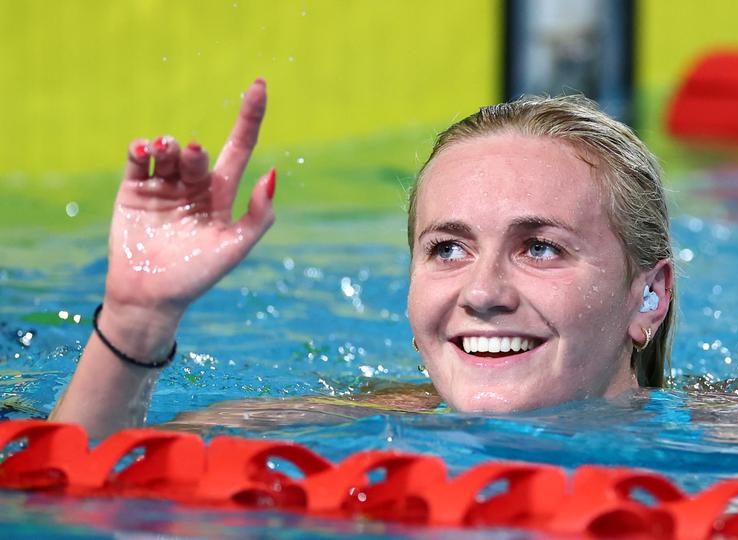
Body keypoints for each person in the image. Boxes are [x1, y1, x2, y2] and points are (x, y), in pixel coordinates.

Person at [50, 79, 675, 438]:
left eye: (539, 247)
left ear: (649, 295)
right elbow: (70, 492)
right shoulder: (330, 428)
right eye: (448, 249)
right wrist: (139, 317)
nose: (482, 293)